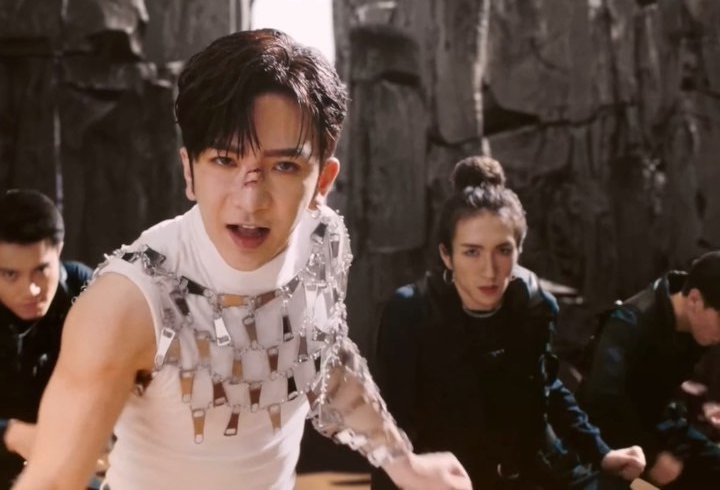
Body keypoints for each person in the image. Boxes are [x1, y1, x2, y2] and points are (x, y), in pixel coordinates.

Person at [12, 29, 472, 490]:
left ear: (322, 182)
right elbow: (51, 481)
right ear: (189, 172)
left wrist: (403, 462)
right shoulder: (127, 303)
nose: (250, 200)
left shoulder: (322, 241)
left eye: (284, 166)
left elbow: (324, 352)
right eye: (225, 160)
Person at [371, 156, 646, 489]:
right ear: (447, 254)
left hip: (526, 471)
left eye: (503, 250)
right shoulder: (411, 312)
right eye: (472, 252)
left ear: (519, 250)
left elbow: (544, 387)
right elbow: (388, 428)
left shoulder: (532, 306)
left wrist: (601, 453)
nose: (489, 270)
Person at [576, 250, 720, 488]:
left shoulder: (697, 325)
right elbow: (599, 401)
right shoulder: (629, 323)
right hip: (606, 438)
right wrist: (652, 455)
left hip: (659, 424)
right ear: (694, 300)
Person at [0, 189, 93, 487]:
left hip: (69, 463)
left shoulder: (84, 289)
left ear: (59, 251)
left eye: (41, 270)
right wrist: (10, 433)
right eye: (10, 275)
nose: (30, 290)